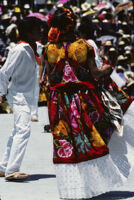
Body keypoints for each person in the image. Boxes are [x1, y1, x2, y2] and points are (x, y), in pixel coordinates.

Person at [42, 7, 134, 199]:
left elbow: (50, 80)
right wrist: (109, 68)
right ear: (71, 25)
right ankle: (90, 186)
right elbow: (95, 74)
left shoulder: (49, 49)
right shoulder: (83, 46)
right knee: (91, 139)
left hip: (59, 104)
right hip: (83, 101)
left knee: (69, 144)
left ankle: (75, 190)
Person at [0, 17, 42, 181]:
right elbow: (4, 72)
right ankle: (12, 169)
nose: (41, 32)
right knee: (23, 130)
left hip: (27, 95)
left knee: (17, 131)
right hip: (18, 96)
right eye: (37, 29)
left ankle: (4, 167)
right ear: (28, 32)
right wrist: (1, 93)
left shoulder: (35, 47)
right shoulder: (18, 50)